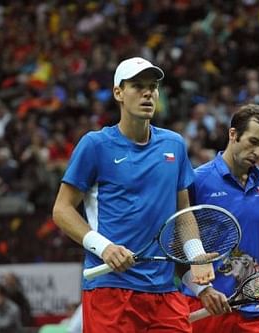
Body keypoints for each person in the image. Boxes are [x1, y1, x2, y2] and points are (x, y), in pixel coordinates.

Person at [52, 56, 215, 332]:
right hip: (111, 290)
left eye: (152, 87)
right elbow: (62, 210)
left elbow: (183, 214)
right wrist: (105, 248)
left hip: (164, 290)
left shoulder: (174, 145)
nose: (147, 93)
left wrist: (196, 255)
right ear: (118, 93)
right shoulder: (95, 145)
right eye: (138, 86)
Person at [181, 104, 259, 332]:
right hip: (208, 305)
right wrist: (202, 289)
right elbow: (178, 240)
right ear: (233, 134)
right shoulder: (197, 180)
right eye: (253, 142)